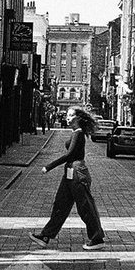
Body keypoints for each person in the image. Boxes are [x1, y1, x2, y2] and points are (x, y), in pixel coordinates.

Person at [30, 106, 106, 250]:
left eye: (70, 116)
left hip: (77, 172)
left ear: (78, 118)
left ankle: (97, 238)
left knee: (85, 206)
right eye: (67, 115)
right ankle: (45, 236)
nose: (67, 118)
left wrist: (49, 166)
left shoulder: (79, 133)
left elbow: (69, 155)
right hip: (70, 172)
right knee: (60, 205)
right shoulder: (75, 132)